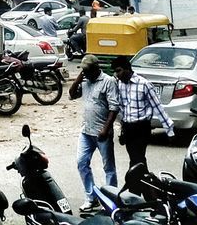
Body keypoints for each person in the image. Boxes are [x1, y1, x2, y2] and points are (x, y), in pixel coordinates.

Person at [70, 54, 119, 213]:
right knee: (81, 162)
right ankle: (91, 197)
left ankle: (111, 199)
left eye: (88, 71)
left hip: (101, 132)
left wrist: (106, 129)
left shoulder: (108, 81)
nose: (86, 74)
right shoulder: (85, 82)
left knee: (108, 167)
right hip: (86, 131)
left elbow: (114, 107)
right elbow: (71, 94)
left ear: (96, 69)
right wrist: (78, 79)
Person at [113, 57, 173, 169]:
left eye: (119, 71)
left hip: (141, 127)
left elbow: (157, 106)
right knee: (135, 158)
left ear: (127, 69)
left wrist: (169, 129)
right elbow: (120, 106)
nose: (117, 75)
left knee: (137, 158)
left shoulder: (144, 84)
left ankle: (134, 183)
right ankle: (141, 182)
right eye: (115, 72)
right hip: (128, 127)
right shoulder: (119, 84)